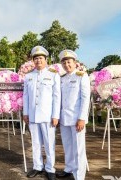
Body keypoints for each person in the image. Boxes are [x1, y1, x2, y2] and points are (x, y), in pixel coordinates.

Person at [23, 46, 61, 180]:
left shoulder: (53, 75)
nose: (38, 61)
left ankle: (50, 168)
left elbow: (57, 97)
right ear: (33, 60)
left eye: (41, 58)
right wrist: (25, 113)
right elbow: (26, 96)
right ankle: (37, 166)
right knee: (36, 142)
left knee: (49, 143)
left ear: (46, 59)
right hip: (32, 115)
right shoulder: (28, 76)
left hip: (48, 116)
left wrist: (56, 115)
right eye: (36, 58)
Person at [56, 50, 90, 180]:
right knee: (67, 145)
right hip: (65, 118)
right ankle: (69, 168)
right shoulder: (62, 78)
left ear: (75, 63)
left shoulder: (82, 76)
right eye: (64, 62)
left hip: (77, 119)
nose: (66, 64)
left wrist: (82, 118)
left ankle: (79, 175)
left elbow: (85, 98)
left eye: (69, 62)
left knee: (79, 148)